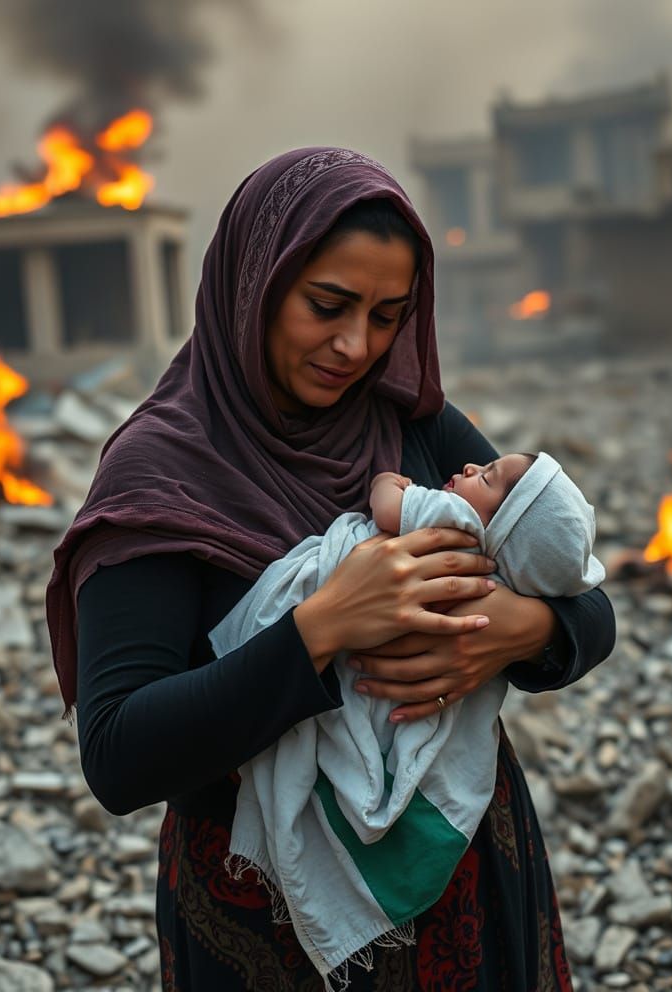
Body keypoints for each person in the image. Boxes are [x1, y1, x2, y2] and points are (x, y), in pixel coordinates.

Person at [46, 147, 615, 992]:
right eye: (327, 305)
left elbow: (586, 601)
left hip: (462, 873)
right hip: (264, 917)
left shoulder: (410, 424)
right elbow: (120, 753)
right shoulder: (162, 475)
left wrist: (517, 630)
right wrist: (322, 627)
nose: (356, 346)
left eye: (388, 316)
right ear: (256, 284)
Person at [208, 452, 605, 985]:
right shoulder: (501, 559)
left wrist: (384, 481)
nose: (470, 466)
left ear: (504, 528)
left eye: (488, 477)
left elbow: (388, 507)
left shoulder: (455, 519)